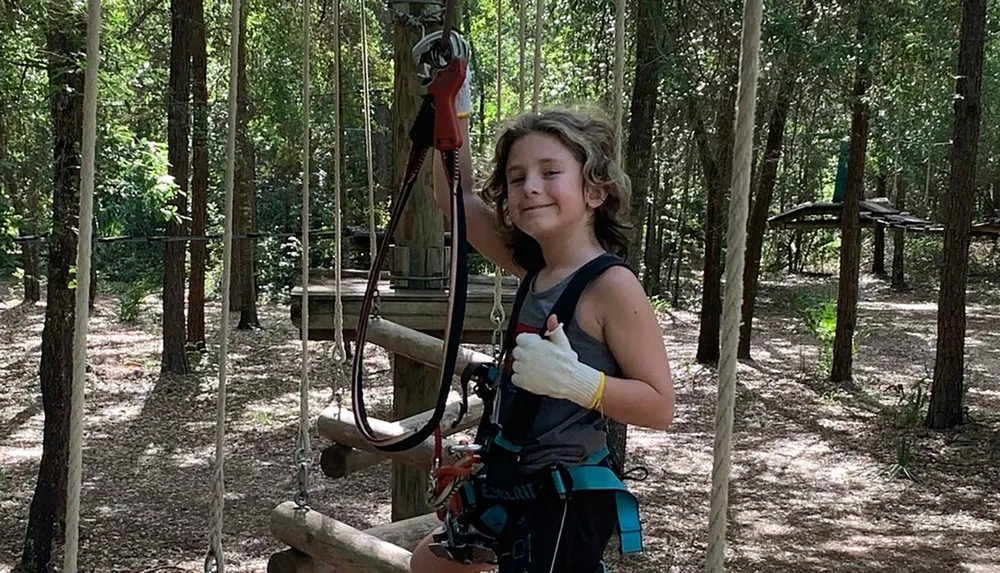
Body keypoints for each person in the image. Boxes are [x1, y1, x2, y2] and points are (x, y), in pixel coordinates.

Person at [410, 36, 675, 573]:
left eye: (550, 173)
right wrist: (451, 105)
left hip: (564, 500)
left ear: (595, 190)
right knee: (432, 564)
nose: (530, 187)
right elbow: (455, 198)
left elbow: (660, 406)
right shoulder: (536, 267)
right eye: (516, 178)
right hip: (512, 483)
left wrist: (578, 383)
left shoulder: (610, 286)